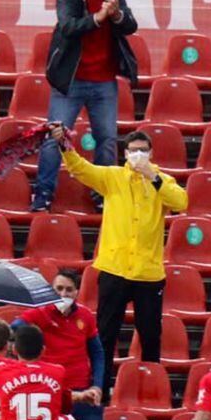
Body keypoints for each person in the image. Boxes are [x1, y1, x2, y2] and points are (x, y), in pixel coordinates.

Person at [49, 125, 188, 394]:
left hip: (148, 274)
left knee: (150, 336)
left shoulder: (162, 180)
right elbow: (81, 169)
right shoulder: (113, 177)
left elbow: (181, 202)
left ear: (151, 153)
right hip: (114, 270)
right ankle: (99, 391)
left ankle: (150, 392)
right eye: (133, 151)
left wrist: (152, 176)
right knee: (105, 335)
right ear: (125, 154)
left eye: (143, 151)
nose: (138, 155)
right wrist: (65, 147)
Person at [32, 0, 140, 212]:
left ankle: (102, 194)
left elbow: (130, 25)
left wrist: (116, 15)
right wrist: (97, 18)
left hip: (104, 83)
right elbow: (68, 27)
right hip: (71, 83)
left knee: (107, 139)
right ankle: (43, 194)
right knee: (54, 139)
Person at [15, 269, 106, 420]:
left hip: (82, 395)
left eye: (69, 290)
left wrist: (97, 385)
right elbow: (14, 328)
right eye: (59, 289)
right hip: (50, 394)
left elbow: (97, 353)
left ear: (77, 292)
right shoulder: (40, 312)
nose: (63, 294)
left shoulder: (86, 316)